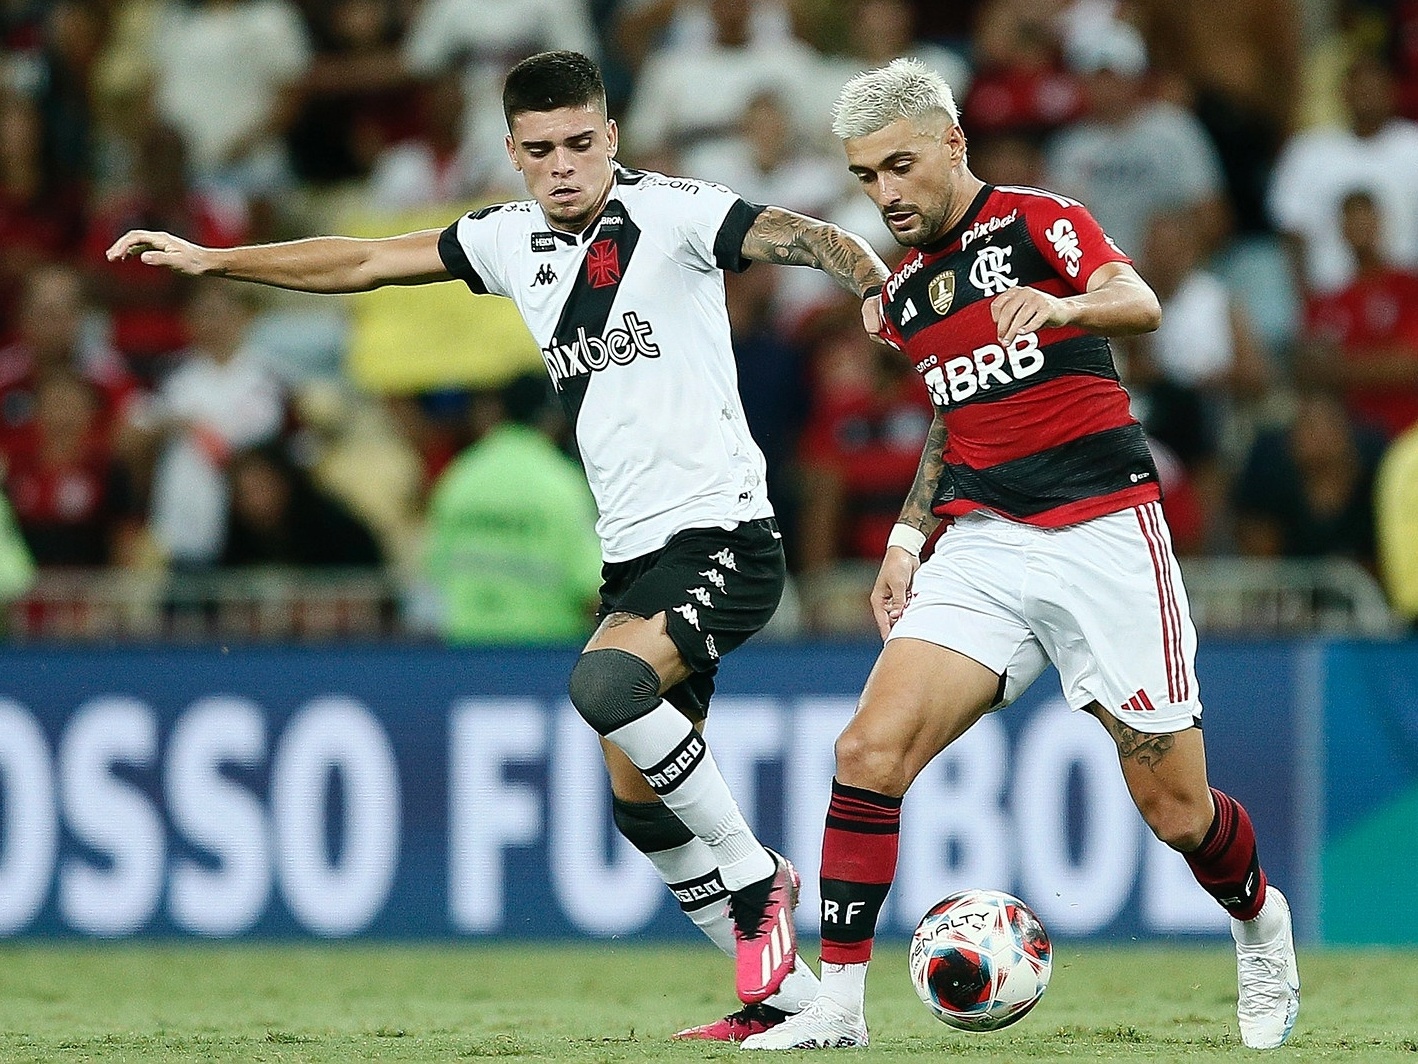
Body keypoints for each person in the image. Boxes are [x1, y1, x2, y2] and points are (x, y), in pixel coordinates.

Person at [107, 49, 890, 1039]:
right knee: (639, 802)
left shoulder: (678, 211)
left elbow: (799, 232)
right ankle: (790, 1001)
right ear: (513, 154)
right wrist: (221, 261)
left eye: (577, 142)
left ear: (609, 136)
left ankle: (755, 876)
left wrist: (869, 280)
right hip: (633, 554)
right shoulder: (504, 238)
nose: (561, 164)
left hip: (724, 530)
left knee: (606, 687)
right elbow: (360, 259)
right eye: (538, 149)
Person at [741, 58, 1300, 1052]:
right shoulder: (908, 293)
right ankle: (834, 1006)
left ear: (953, 143)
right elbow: (958, 417)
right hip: (986, 541)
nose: (887, 192)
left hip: (1102, 532)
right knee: (866, 751)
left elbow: (1136, 300)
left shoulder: (1037, 219)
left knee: (1175, 811)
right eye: (867, 176)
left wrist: (1065, 309)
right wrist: (908, 537)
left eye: (900, 165)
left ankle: (1257, 919)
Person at [423, 373, 603, 645]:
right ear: (552, 417)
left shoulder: (461, 476)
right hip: (544, 653)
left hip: (463, 650)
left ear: (499, 411)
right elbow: (591, 587)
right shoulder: (560, 483)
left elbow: (433, 569)